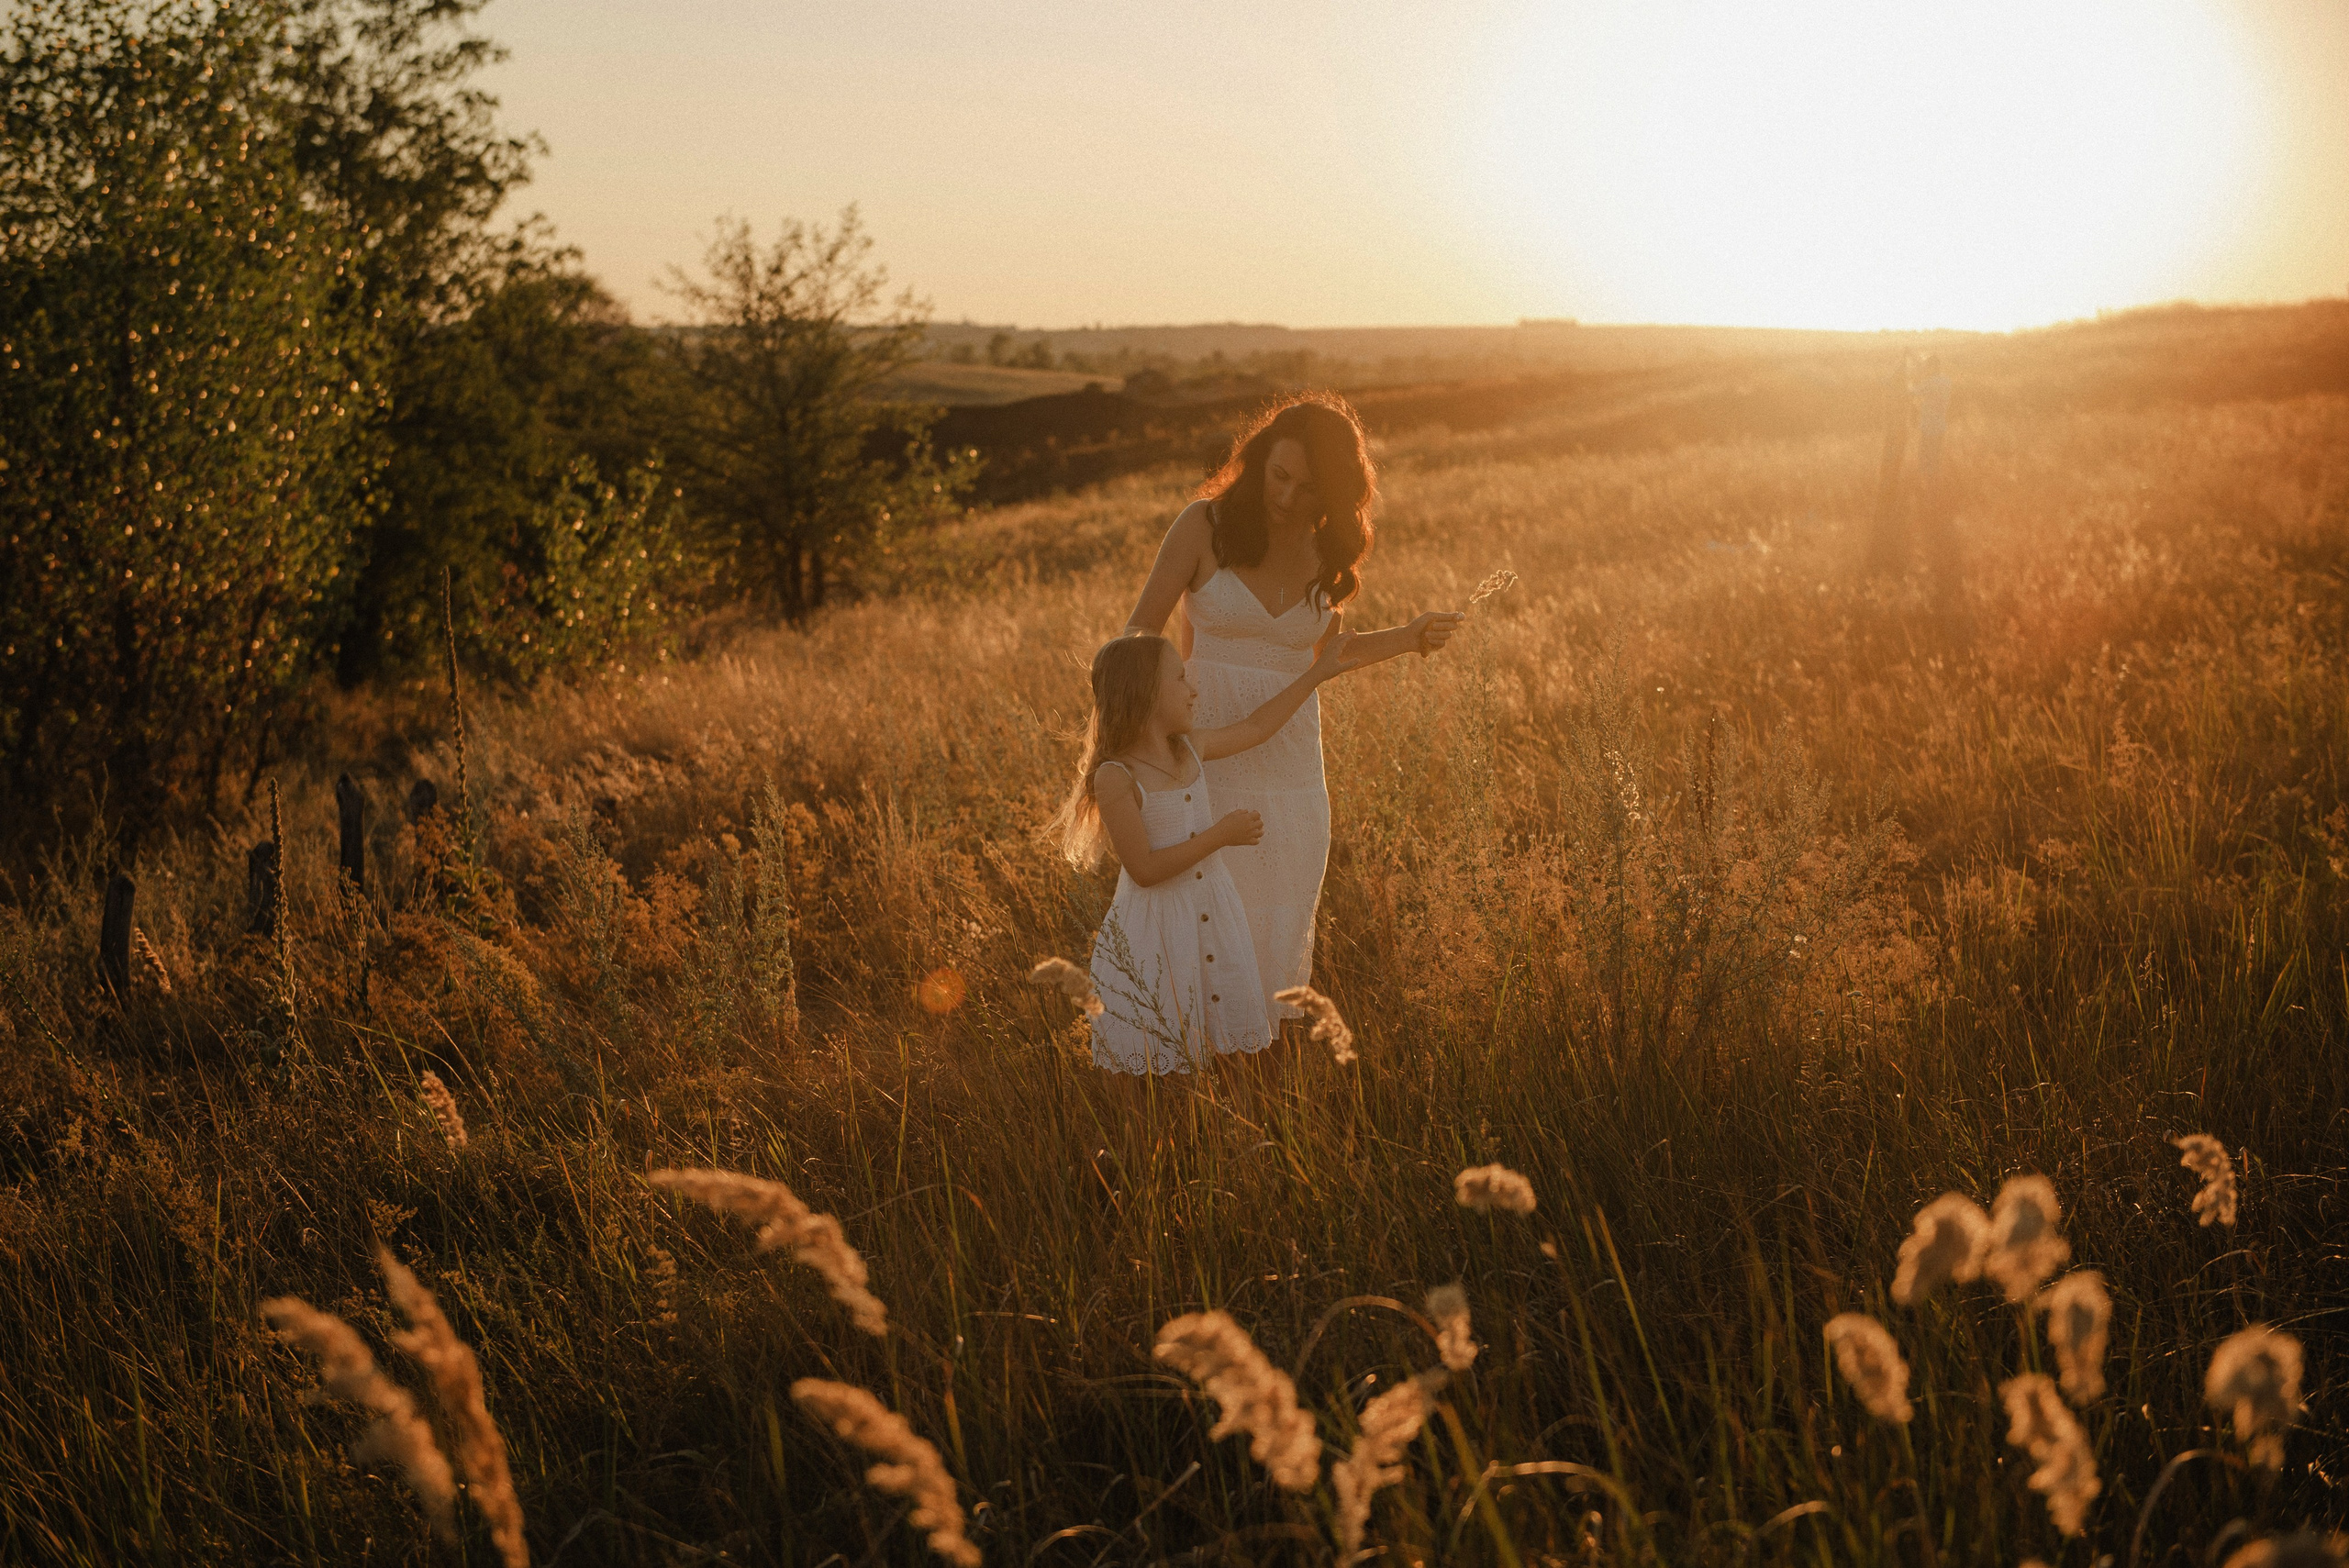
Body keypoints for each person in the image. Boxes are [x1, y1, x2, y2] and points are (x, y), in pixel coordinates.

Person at [1121, 395, 1464, 1025]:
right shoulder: (1206, 524)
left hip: (1291, 774)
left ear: (1334, 494)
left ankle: (1254, 1099)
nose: (1286, 496)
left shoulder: (1325, 554)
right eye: (1279, 476)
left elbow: (1331, 655)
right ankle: (1182, 1098)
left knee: (1266, 947)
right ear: (1258, 463)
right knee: (1193, 940)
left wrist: (1412, 635)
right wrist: (1143, 741)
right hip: (1205, 756)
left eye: (1309, 489)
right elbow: (1137, 637)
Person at [1050, 629, 1362, 1074]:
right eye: (1180, 678)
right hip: (1156, 931)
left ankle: (1216, 1130)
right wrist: (1220, 835)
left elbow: (1257, 727)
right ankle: (1146, 1139)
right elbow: (1144, 870)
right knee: (1157, 1052)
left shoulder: (1191, 749)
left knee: (1222, 1048)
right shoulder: (1116, 777)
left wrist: (1318, 673)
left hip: (1211, 912)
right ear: (1146, 694)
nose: (1193, 689)